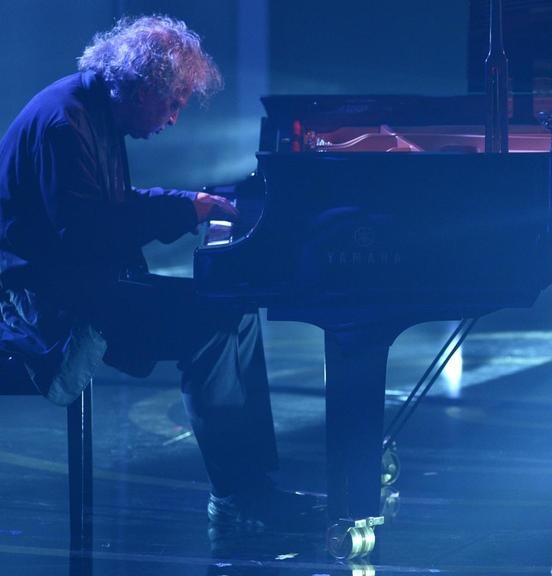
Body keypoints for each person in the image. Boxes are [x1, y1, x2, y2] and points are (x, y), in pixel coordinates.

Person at [0, 15, 316, 528]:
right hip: (50, 305)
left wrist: (191, 200)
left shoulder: (89, 109)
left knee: (234, 307)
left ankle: (253, 485)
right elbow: (86, 232)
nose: (173, 119)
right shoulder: (65, 124)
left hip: (83, 282)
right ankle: (237, 499)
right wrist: (180, 212)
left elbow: (108, 207)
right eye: (172, 103)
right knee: (210, 324)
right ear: (140, 86)